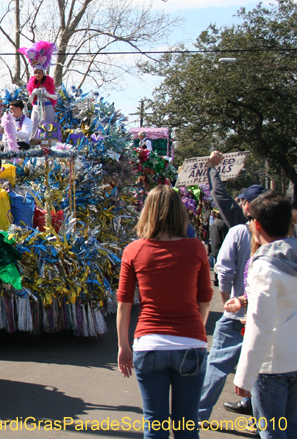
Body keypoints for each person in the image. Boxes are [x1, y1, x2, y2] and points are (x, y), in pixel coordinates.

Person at [117, 185, 212, 438]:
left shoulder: (133, 250)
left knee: (154, 426)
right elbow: (205, 299)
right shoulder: (196, 248)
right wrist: (197, 332)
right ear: (180, 213)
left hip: (149, 344)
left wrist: (123, 346)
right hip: (190, 344)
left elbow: (124, 303)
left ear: (147, 212)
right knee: (187, 426)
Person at [197, 181, 266, 420]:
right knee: (261, 369)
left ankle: (197, 416)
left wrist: (227, 300)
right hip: (267, 318)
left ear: (248, 206)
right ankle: (260, 417)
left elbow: (223, 270)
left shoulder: (239, 231)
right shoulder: (286, 238)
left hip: (238, 314)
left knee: (217, 365)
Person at [234, 191, 297, 439]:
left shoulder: (264, 266)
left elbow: (259, 324)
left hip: (271, 366)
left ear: (256, 224)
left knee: (272, 433)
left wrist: (245, 375)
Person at [19, 42, 58, 139]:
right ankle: (33, 145)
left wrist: (47, 94)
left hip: (47, 107)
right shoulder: (32, 85)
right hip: (36, 107)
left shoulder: (48, 83)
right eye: (35, 73)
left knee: (48, 127)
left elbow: (55, 96)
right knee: (34, 127)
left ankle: (47, 146)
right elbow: (30, 101)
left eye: (39, 73)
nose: (37, 75)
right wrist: (33, 93)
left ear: (43, 73)